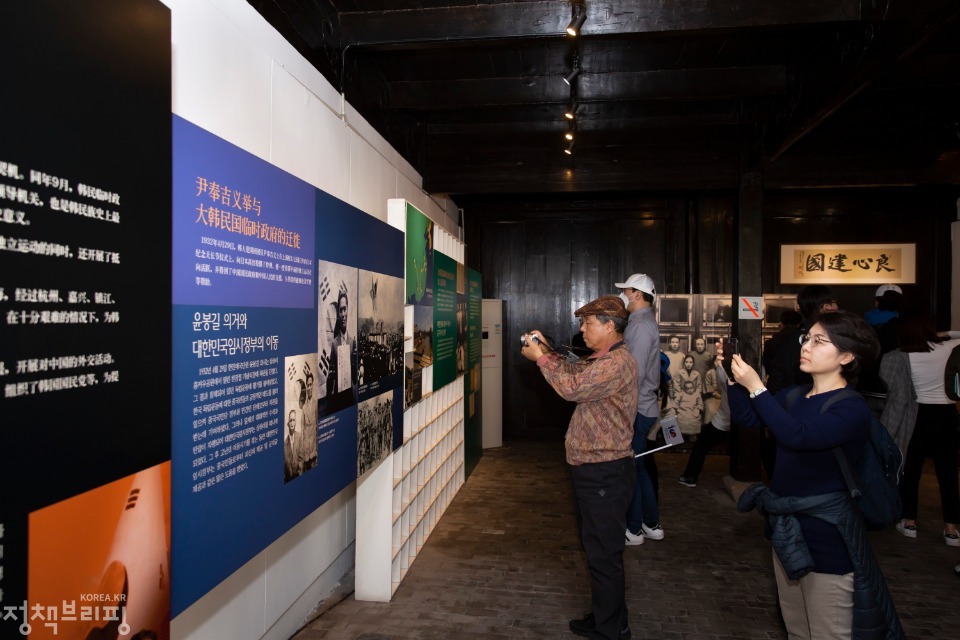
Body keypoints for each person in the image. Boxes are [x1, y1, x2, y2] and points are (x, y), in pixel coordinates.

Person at [725, 310, 903, 640]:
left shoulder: (850, 408)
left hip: (828, 539)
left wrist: (757, 387)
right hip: (788, 533)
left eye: (820, 341)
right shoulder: (795, 395)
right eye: (807, 337)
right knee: (796, 629)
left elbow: (798, 436)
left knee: (827, 631)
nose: (806, 345)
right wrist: (734, 381)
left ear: (847, 356)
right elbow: (749, 417)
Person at [521, 295, 638, 640]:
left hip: (604, 471)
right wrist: (548, 350)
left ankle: (611, 629)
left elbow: (572, 387)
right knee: (600, 551)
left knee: (604, 555)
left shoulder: (615, 363)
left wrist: (541, 358)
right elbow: (575, 370)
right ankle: (609, 617)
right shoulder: (605, 359)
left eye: (588, 324)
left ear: (609, 326)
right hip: (597, 470)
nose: (582, 330)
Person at [879, 313, 960, 546]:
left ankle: (910, 522)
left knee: (910, 469)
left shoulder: (898, 356)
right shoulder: (947, 349)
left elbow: (894, 390)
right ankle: (951, 529)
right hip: (946, 414)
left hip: (915, 416)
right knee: (947, 473)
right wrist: (944, 335)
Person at [616, 273, 664, 545]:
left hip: (638, 406)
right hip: (644, 405)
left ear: (637, 294)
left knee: (632, 469)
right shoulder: (641, 322)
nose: (624, 295)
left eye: (627, 290)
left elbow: (633, 373)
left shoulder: (641, 325)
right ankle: (650, 523)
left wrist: (623, 409)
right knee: (641, 467)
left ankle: (633, 530)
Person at [763, 285, 838, 394]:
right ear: (827, 306)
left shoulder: (784, 339)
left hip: (785, 400)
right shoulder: (833, 338)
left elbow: (775, 379)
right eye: (835, 302)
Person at [679, 356, 732, 487]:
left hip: (726, 420)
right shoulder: (722, 371)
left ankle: (690, 476)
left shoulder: (722, 371)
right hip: (730, 420)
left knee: (701, 445)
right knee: (702, 444)